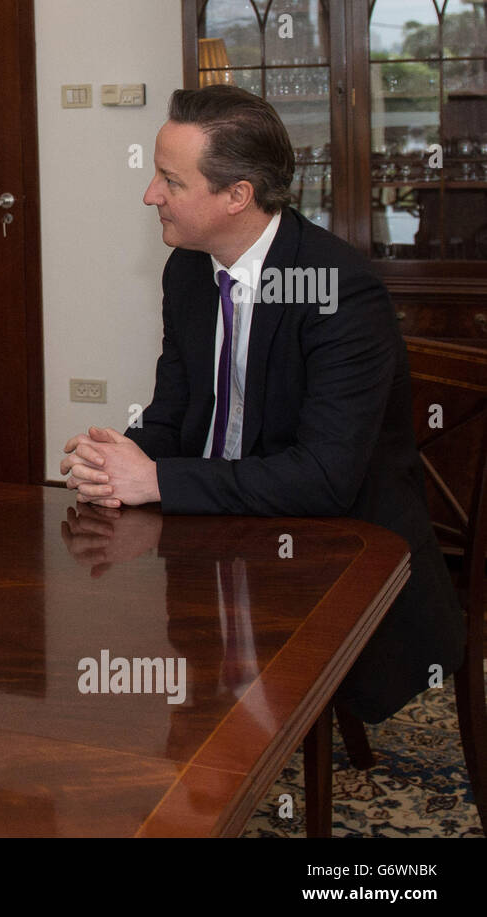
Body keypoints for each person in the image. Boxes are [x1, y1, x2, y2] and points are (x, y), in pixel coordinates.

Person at [59, 85, 464, 723]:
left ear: (237, 196)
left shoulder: (337, 291)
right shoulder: (189, 268)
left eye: (170, 180)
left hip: (336, 549)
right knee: (106, 648)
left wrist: (158, 478)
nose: (150, 195)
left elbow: (325, 480)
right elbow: (175, 411)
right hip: (224, 530)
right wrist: (126, 455)